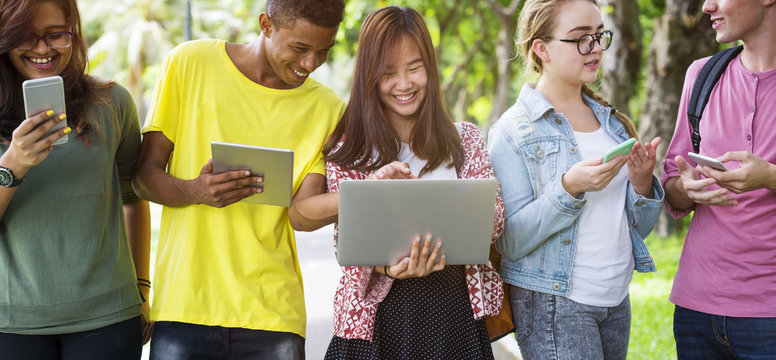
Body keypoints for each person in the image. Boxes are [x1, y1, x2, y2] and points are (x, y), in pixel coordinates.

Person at [131, 0, 346, 358]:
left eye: (324, 51)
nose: (310, 64)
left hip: (273, 314)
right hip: (185, 306)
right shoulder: (189, 63)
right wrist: (195, 191)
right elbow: (143, 177)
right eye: (300, 48)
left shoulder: (329, 109)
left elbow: (303, 214)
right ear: (266, 24)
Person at [289, 6, 505, 359]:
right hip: (374, 322)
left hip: (454, 316)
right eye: (388, 73)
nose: (404, 84)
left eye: (414, 68)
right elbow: (349, 246)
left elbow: (494, 220)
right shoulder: (350, 150)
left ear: (430, 68)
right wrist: (388, 265)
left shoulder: (464, 139)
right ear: (369, 77)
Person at [487, 0, 665, 359]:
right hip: (555, 304)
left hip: (615, 301)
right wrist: (569, 188)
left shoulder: (614, 124)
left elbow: (636, 229)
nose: (596, 48)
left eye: (599, 35)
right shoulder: (513, 131)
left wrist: (642, 184)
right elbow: (510, 241)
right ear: (542, 48)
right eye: (581, 38)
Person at [0, 0, 151, 358]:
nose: (42, 49)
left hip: (108, 319)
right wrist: (14, 164)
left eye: (56, 34)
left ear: (75, 33)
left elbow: (133, 198)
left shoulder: (112, 102)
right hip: (11, 323)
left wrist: (142, 289)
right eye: (26, 36)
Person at [661, 0, 776, 358]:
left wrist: (770, 177)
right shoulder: (702, 75)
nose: (707, 5)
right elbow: (673, 187)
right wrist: (685, 188)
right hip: (696, 309)